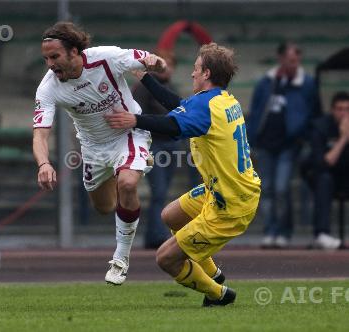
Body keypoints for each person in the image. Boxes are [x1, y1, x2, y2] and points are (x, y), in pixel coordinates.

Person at [105, 43, 261, 306]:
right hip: (226, 190)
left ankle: (217, 294)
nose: (192, 74)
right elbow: (177, 106)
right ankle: (214, 273)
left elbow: (171, 126)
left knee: (165, 258)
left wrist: (135, 120)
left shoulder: (206, 106)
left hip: (230, 204)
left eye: (196, 69)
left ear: (207, 73)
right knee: (171, 215)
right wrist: (145, 78)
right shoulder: (221, 100)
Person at [32, 22, 166, 285]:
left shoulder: (107, 58)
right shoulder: (48, 88)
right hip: (93, 148)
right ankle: (127, 168)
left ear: (74, 52)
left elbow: (148, 59)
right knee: (104, 207)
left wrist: (157, 63)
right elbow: (40, 133)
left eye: (55, 56)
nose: (50, 63)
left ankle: (120, 259)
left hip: (128, 132)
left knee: (128, 184)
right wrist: (44, 163)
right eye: (46, 58)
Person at [247, 42, 316, 248]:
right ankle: (270, 230)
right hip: (265, 143)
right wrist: (252, 138)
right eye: (291, 60)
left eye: (297, 61)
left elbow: (310, 111)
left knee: (281, 188)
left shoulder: (306, 83)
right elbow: (256, 111)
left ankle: (284, 231)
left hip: (288, 144)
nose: (294, 65)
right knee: (266, 189)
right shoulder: (266, 82)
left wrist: (300, 135)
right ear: (281, 59)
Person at [131, 50, 179, 249]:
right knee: (158, 191)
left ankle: (156, 233)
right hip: (154, 145)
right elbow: (136, 115)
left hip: (172, 144)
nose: (166, 69)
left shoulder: (169, 87)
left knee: (163, 191)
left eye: (170, 64)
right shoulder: (144, 87)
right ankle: (155, 235)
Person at [303, 91, 349, 249]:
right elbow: (323, 162)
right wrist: (343, 138)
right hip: (321, 174)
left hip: (345, 175)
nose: (343, 113)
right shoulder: (320, 127)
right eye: (340, 109)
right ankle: (321, 234)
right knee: (325, 180)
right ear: (332, 110)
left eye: (347, 109)